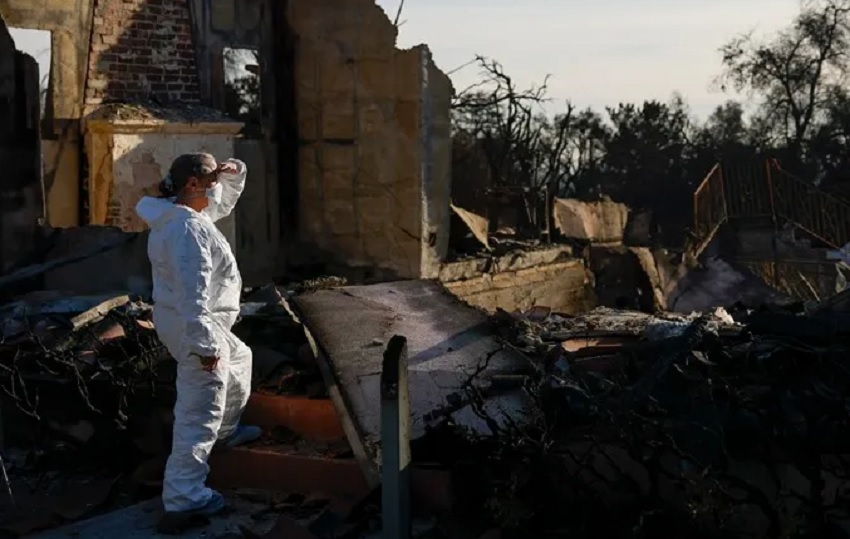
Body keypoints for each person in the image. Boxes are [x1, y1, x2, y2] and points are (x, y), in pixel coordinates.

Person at [135, 153, 261, 517]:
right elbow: (194, 293)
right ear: (193, 184)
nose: (218, 184)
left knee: (240, 358)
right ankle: (184, 498)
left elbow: (221, 201)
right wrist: (204, 348)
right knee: (199, 408)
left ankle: (225, 431)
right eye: (212, 177)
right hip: (195, 326)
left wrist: (234, 172)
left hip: (196, 322)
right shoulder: (187, 231)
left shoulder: (187, 216)